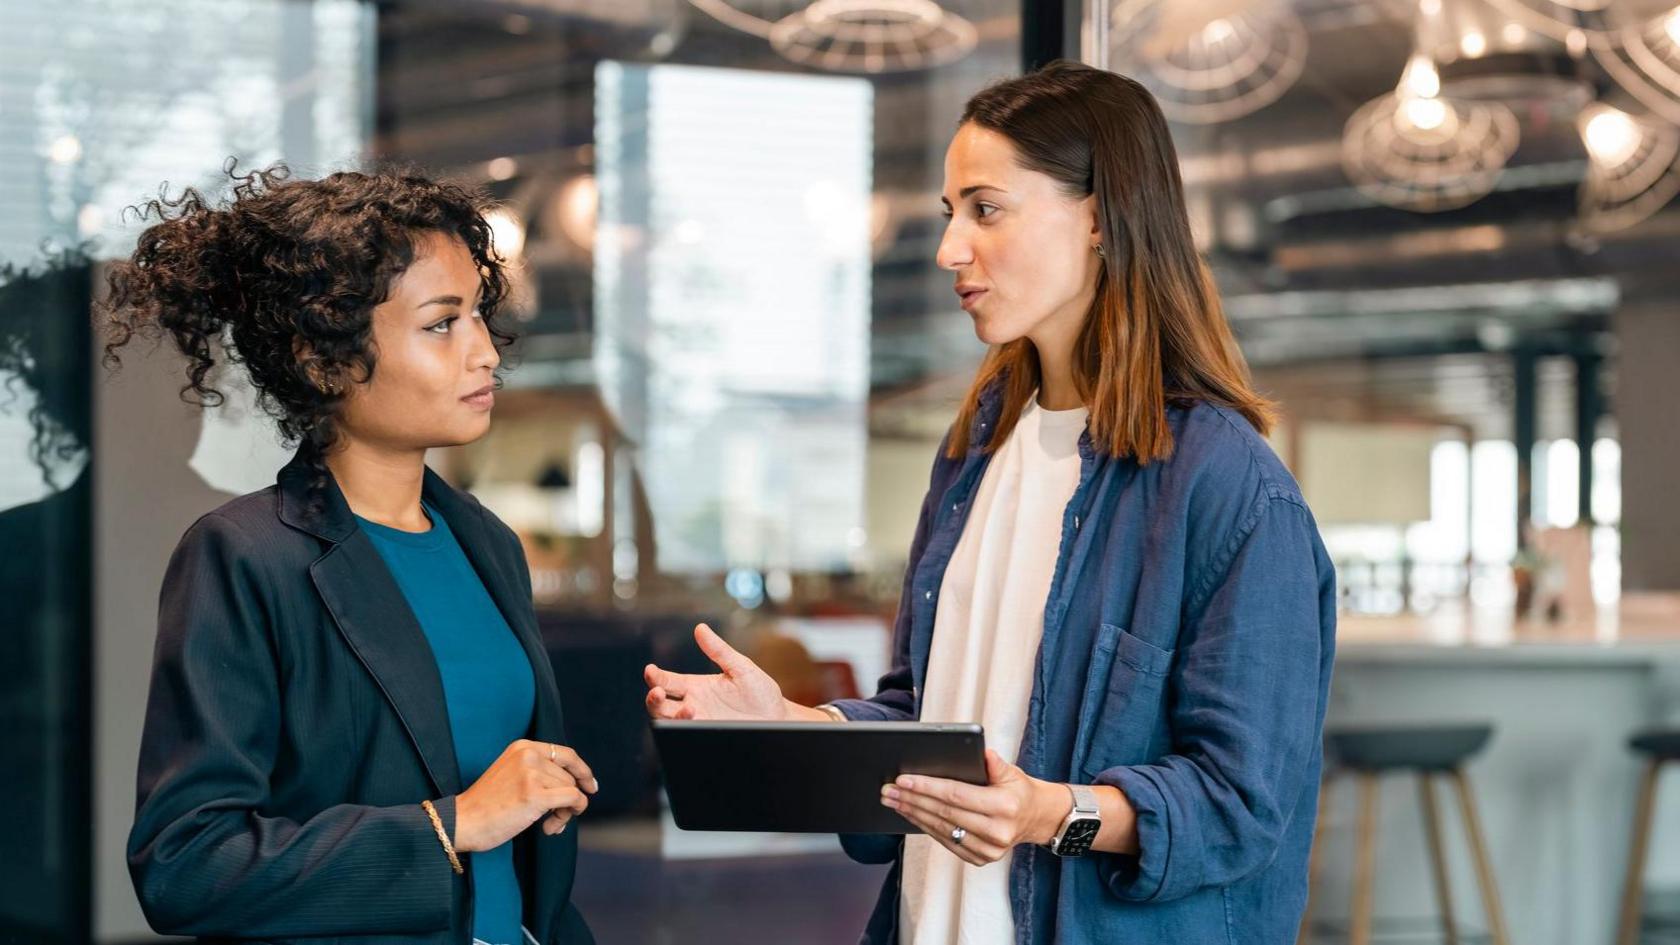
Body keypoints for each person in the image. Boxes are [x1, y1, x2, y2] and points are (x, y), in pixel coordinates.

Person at [642, 62, 1337, 945]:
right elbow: (931, 720)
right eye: (950, 214)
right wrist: (797, 724)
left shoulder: (1230, 487)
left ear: (1097, 216)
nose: (949, 250)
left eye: (986, 208)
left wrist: (1050, 812)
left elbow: (1242, 803)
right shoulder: (978, 447)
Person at [109, 163, 596, 945]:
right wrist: (452, 824)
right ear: (325, 360)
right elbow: (185, 862)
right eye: (442, 323)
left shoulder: (486, 543)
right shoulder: (243, 556)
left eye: (478, 315)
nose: (484, 353)